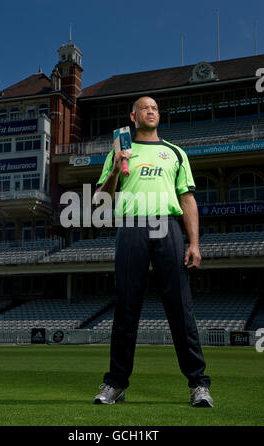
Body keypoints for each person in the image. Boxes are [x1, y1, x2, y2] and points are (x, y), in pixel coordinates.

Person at [93, 96, 213, 408]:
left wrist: (195, 243)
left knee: (180, 309)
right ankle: (115, 384)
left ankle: (198, 385)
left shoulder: (175, 153)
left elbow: (187, 199)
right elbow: (100, 199)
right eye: (145, 107)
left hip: (167, 226)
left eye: (156, 108)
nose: (152, 111)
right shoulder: (119, 151)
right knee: (126, 309)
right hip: (132, 227)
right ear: (132, 116)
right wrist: (118, 165)